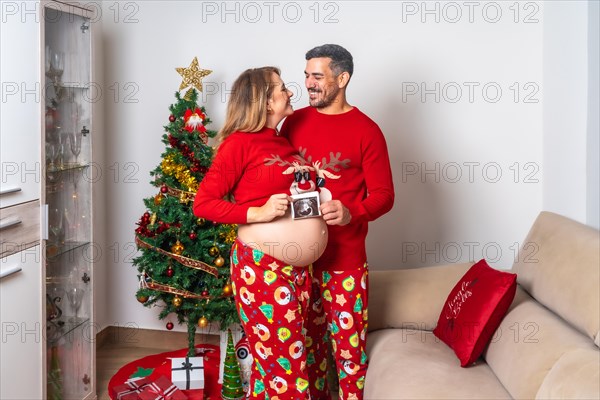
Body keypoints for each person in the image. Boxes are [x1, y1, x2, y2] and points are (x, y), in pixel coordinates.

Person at [193, 66, 328, 399]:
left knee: (289, 366)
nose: (290, 92)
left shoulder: (281, 141)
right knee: (286, 372)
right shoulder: (238, 144)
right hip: (263, 271)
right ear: (265, 102)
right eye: (282, 88)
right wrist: (257, 212)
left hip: (297, 272)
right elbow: (203, 203)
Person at [280, 44, 395, 400]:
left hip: (343, 263)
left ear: (342, 78)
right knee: (306, 353)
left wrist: (352, 212)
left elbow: (384, 195)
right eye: (306, 75)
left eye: (317, 76)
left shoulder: (367, 130)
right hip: (297, 260)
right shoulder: (294, 121)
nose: (308, 83)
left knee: (349, 355)